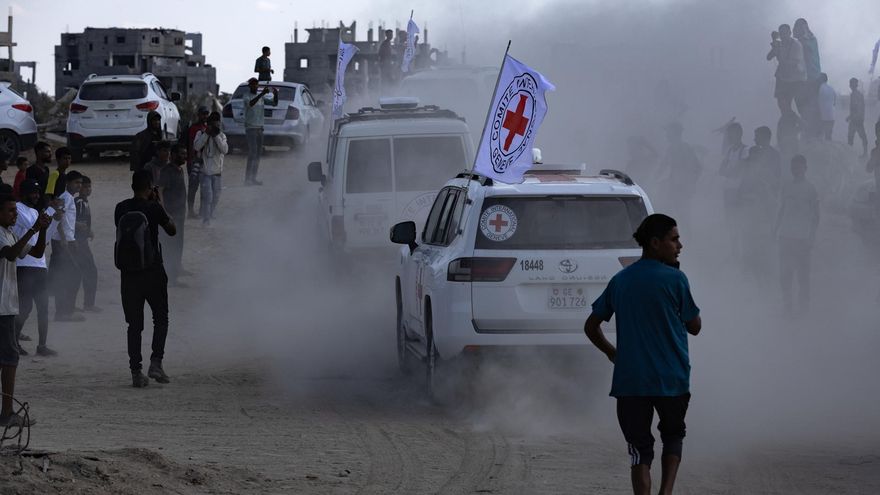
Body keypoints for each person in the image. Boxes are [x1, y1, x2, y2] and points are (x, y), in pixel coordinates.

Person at [584, 214, 701, 495]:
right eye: (674, 240)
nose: (680, 246)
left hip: (631, 380)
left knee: (639, 451)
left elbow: (591, 326)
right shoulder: (676, 279)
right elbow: (695, 327)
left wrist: (612, 353)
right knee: (673, 436)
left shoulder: (620, 280)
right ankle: (666, 492)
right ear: (655, 243)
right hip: (671, 379)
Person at [114, 171, 176, 388]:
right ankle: (156, 362)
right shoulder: (153, 207)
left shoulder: (120, 208)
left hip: (129, 275)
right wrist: (159, 203)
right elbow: (172, 230)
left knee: (134, 325)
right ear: (150, 187)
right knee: (160, 318)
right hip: (153, 272)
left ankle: (136, 372)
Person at [0, 194, 51, 427]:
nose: (15, 214)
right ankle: (7, 413)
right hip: (2, 307)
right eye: (10, 210)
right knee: (10, 356)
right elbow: (11, 254)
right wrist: (33, 229)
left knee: (6, 356)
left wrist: (42, 230)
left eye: (15, 210)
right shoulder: (2, 235)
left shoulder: (9, 233)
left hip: (6, 305)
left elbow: (37, 253)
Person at [13, 180, 55, 356]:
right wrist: (46, 216)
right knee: (25, 307)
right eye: (33, 192)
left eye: (38, 192)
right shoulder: (16, 209)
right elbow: (34, 225)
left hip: (39, 264)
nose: (37, 196)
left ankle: (42, 345)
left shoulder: (35, 211)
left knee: (43, 307)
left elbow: (42, 236)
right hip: (23, 264)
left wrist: (50, 221)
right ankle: (14, 342)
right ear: (23, 193)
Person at [774, 155, 820, 315]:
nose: (796, 170)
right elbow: (781, 209)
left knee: (803, 274)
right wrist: (775, 230)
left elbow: (816, 216)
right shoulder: (786, 187)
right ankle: (787, 305)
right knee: (785, 274)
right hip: (786, 236)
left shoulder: (810, 189)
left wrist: (812, 237)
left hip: (802, 238)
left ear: (805, 168)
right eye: (793, 167)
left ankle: (804, 307)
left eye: (799, 167)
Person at [48, 170, 84, 322]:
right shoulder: (65, 198)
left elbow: (67, 220)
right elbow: (58, 218)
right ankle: (63, 312)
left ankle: (67, 309)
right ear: (68, 183)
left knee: (69, 274)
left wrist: (72, 237)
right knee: (70, 275)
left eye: (80, 183)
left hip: (67, 240)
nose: (79, 185)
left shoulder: (69, 198)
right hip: (62, 242)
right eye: (76, 182)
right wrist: (64, 239)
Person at [658, 123, 702, 225]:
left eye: (668, 132)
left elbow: (697, 167)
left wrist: (691, 183)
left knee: (683, 215)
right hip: (674, 186)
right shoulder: (671, 149)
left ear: (675, 133)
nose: (666, 135)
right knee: (672, 214)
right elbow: (663, 166)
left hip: (682, 187)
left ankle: (686, 233)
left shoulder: (685, 148)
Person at [157, 144, 187, 286]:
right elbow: (159, 191)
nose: (184, 156)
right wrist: (165, 212)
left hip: (180, 215)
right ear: (173, 155)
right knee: (170, 246)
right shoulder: (167, 171)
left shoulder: (180, 170)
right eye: (181, 154)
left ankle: (175, 272)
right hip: (171, 216)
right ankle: (170, 277)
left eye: (185, 154)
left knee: (178, 244)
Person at [193, 111, 228, 225]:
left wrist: (215, 136)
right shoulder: (201, 133)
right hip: (205, 172)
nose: (215, 127)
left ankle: (210, 213)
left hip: (217, 172)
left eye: (217, 124)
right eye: (213, 125)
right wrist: (206, 134)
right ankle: (206, 219)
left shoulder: (221, 136)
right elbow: (196, 147)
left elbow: (225, 150)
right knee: (208, 196)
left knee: (216, 196)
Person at [242, 78, 277, 186]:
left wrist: (276, 94)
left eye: (256, 84)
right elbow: (251, 104)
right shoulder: (247, 96)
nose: (254, 86)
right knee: (253, 153)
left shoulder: (261, 98)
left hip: (260, 128)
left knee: (257, 154)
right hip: (251, 128)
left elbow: (274, 103)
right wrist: (262, 94)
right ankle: (247, 179)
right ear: (249, 86)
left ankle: (253, 178)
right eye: (252, 84)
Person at [766, 24, 806, 119]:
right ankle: (791, 121)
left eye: (785, 33)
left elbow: (794, 63)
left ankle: (800, 122)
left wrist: (782, 58)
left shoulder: (796, 45)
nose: (783, 36)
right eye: (781, 34)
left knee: (801, 106)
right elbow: (769, 57)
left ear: (789, 33)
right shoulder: (779, 44)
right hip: (782, 78)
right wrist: (774, 44)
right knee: (782, 105)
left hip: (796, 79)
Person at [74, 175, 99, 312]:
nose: (88, 189)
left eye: (89, 186)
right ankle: (88, 304)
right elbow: (72, 220)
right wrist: (82, 228)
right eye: (85, 186)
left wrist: (88, 230)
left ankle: (78, 304)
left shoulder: (84, 202)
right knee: (90, 271)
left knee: (80, 272)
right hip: (78, 243)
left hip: (81, 241)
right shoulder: (79, 202)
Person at [793, 18, 822, 136]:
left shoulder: (804, 42)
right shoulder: (811, 39)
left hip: (808, 78)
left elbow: (805, 51)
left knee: (807, 106)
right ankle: (812, 131)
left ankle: (812, 132)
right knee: (809, 106)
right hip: (812, 77)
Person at [186, 107, 210, 219]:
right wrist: (191, 160)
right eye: (203, 114)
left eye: (207, 114)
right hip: (194, 161)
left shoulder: (207, 128)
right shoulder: (193, 128)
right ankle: (190, 211)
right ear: (198, 115)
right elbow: (191, 145)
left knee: (204, 188)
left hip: (204, 162)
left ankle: (202, 211)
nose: (205, 116)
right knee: (193, 187)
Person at [26, 142, 51, 207]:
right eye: (47, 152)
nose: (50, 154)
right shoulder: (31, 170)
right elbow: (31, 191)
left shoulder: (46, 169)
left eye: (50, 152)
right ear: (39, 153)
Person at [847, 78, 868, 157]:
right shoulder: (855, 94)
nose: (850, 85)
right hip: (856, 119)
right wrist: (850, 116)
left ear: (854, 85)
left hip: (856, 120)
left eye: (851, 84)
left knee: (855, 137)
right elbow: (856, 108)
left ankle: (864, 154)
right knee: (853, 137)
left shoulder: (856, 95)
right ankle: (862, 153)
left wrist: (852, 117)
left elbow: (858, 108)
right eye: (850, 83)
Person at [817, 73, 836, 140]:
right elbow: (834, 103)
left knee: (821, 137)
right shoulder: (832, 89)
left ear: (821, 79)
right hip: (832, 116)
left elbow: (818, 102)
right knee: (829, 136)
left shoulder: (819, 88)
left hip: (823, 117)